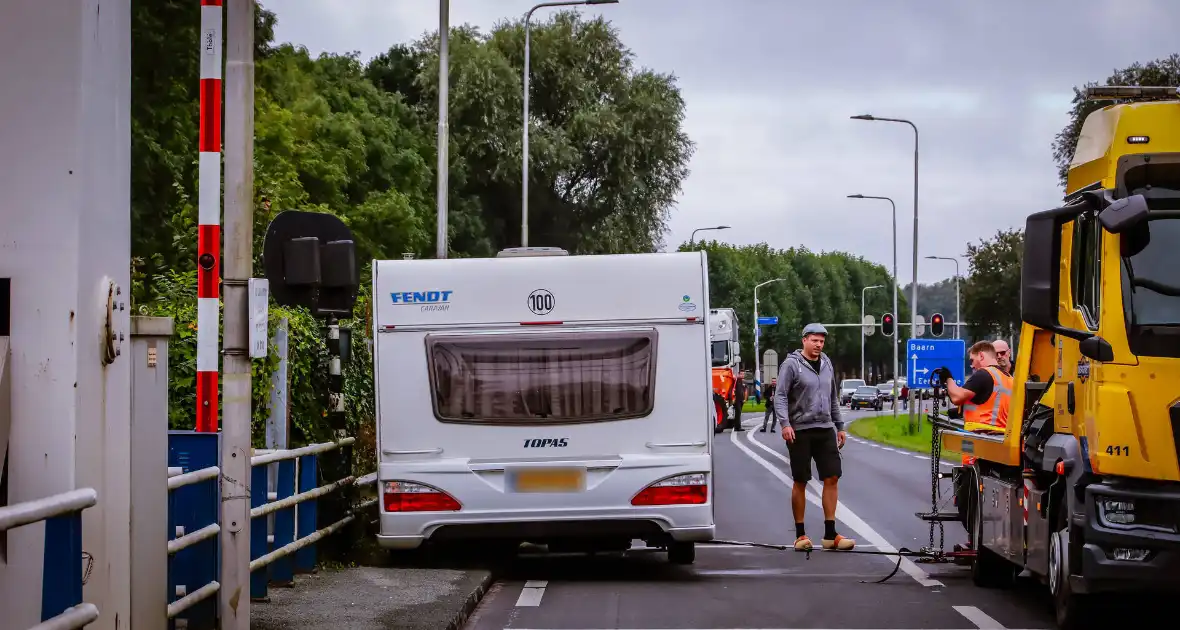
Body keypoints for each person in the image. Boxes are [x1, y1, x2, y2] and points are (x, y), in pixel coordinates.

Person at [773, 323, 855, 552]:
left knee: (832, 477)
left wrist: (840, 426)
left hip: (825, 427)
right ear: (804, 340)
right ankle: (800, 535)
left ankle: (830, 534)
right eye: (814, 341)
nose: (818, 345)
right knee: (801, 480)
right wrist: (785, 424)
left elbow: (833, 397)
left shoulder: (827, 363)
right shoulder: (791, 365)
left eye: (821, 341)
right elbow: (780, 396)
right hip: (799, 429)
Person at [939, 341, 1013, 435]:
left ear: (981, 356)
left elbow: (957, 397)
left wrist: (948, 379)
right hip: (1002, 436)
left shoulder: (984, 374)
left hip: (983, 435)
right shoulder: (1009, 379)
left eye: (972, 360)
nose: (972, 366)